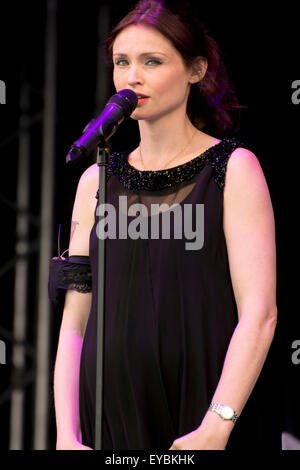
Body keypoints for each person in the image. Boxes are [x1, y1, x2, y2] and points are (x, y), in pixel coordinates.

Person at [49, 0, 278, 450]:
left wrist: (218, 424)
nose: (132, 77)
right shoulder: (97, 180)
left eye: (152, 61)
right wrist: (65, 434)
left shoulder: (233, 169)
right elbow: (75, 321)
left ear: (196, 70)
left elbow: (260, 313)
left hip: (201, 419)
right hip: (110, 421)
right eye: (122, 62)